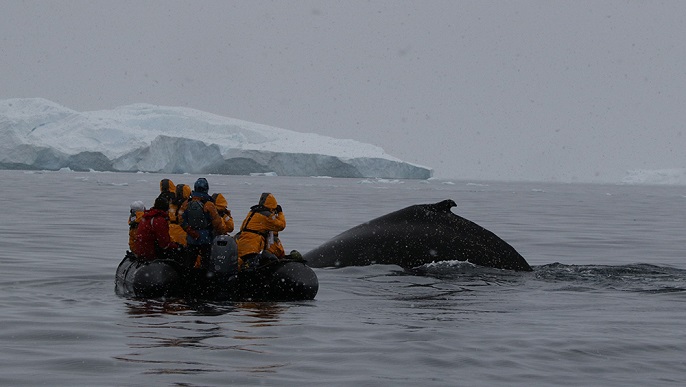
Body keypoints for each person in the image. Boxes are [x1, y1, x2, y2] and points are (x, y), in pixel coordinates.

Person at [180, 178, 228, 270]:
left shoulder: (186, 203)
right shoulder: (209, 204)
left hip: (191, 238)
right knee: (206, 262)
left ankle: (187, 278)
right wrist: (222, 233)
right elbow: (217, 222)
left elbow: (180, 219)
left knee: (189, 261)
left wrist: (189, 230)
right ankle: (205, 279)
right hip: (206, 238)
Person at [236, 192, 286, 269]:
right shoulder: (266, 215)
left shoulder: (253, 212)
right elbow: (281, 226)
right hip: (252, 246)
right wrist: (280, 213)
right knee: (250, 267)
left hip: (242, 242)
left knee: (242, 265)